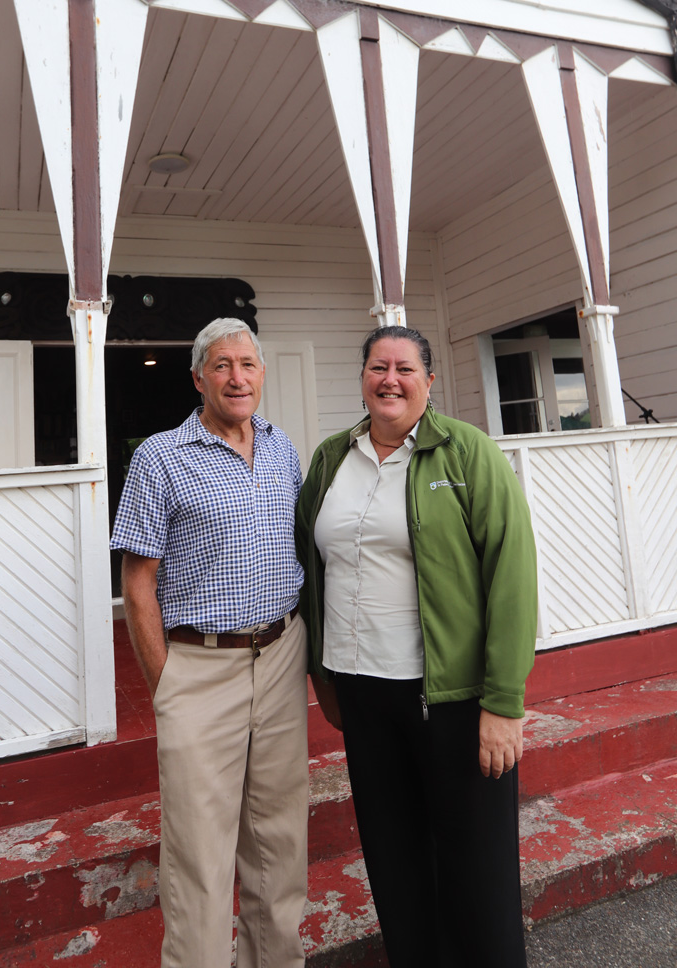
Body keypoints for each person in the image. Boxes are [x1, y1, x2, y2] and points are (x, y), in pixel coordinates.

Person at [296, 325, 537, 968]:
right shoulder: (329, 460)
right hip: (363, 694)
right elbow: (311, 568)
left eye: (405, 368)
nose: (390, 379)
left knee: (475, 869)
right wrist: (324, 680)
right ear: (364, 378)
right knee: (396, 861)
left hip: (451, 698)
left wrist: (504, 701)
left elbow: (511, 575)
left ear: (429, 382)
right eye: (379, 366)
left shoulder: (467, 453)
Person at [111, 318, 308, 968]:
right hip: (199, 666)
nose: (237, 377)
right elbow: (138, 582)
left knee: (280, 842)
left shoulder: (283, 450)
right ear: (199, 378)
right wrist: (167, 686)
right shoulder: (160, 457)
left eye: (247, 364)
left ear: (261, 373)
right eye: (222, 365)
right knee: (198, 855)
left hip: (281, 657)